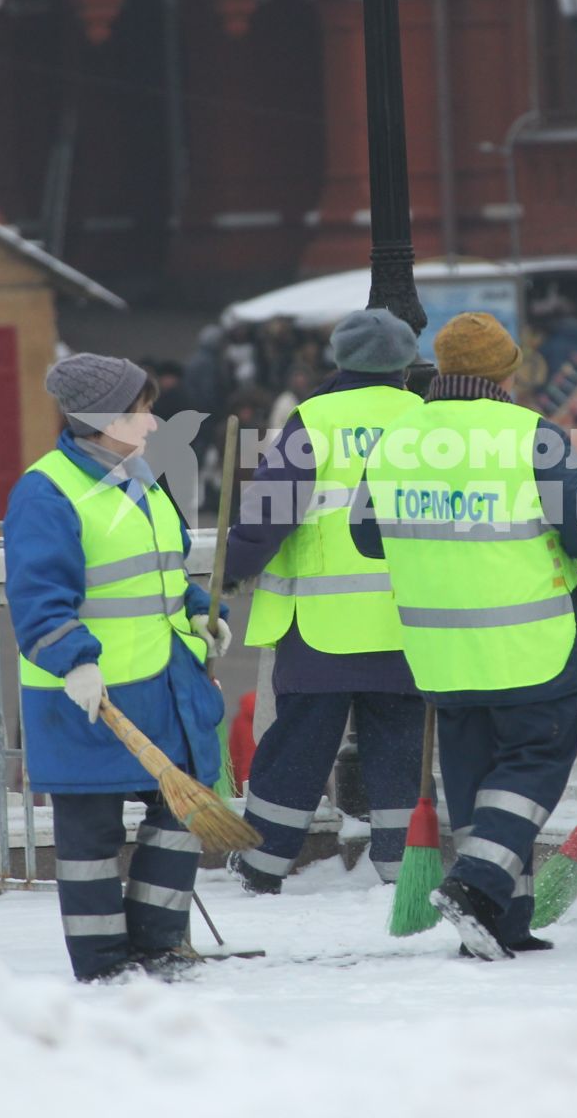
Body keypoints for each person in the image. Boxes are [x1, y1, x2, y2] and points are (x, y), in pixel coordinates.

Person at [353, 312, 577, 961]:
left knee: (475, 773)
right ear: (505, 372)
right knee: (535, 759)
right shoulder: (528, 436)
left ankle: (500, 917)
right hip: (527, 645)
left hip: (440, 650)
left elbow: (366, 535)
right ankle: (478, 884)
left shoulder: (398, 440)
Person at [3, 353, 232, 984]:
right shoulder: (46, 490)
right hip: (88, 697)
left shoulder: (142, 479)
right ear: (104, 418)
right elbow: (38, 595)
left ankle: (158, 943)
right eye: (141, 410)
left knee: (182, 811)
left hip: (164, 685)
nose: (153, 423)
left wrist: (202, 611)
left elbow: (165, 571)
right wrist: (75, 662)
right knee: (89, 838)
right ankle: (104, 965)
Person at [224, 309, 425, 894]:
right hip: (408, 623)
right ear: (405, 364)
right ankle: (400, 868)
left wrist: (233, 570)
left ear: (341, 360)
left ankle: (262, 864)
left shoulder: (314, 419)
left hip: (321, 627)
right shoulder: (426, 420)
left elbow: (270, 514)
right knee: (400, 747)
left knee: (297, 749)